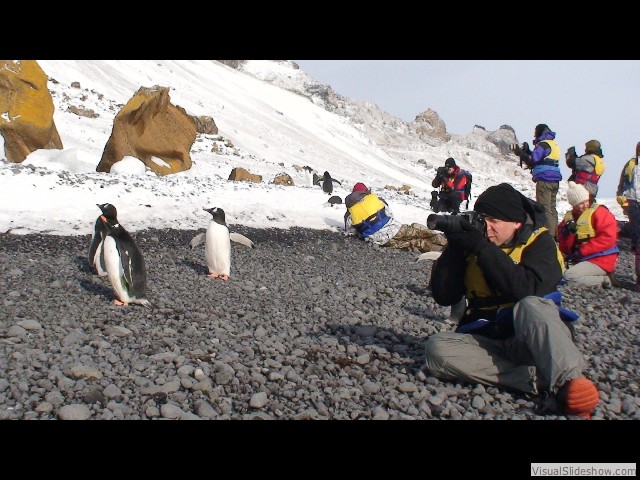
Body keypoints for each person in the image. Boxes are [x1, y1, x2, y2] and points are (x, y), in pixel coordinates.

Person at [424, 183, 599, 419]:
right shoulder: (475, 244)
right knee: (437, 349)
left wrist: (480, 247)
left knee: (531, 304)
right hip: (489, 341)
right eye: (483, 218)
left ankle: (571, 384)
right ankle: (534, 379)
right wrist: (455, 248)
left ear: (516, 222)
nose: (487, 227)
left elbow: (527, 289)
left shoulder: (540, 243)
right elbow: (444, 296)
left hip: (532, 339)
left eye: (494, 220)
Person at [344, 182, 447, 253]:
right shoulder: (375, 199)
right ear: (365, 191)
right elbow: (389, 213)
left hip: (379, 240)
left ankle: (439, 251)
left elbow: (350, 231)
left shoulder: (350, 212)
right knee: (417, 231)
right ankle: (446, 244)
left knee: (414, 243)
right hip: (395, 229)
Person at [557, 181, 619, 288]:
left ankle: (605, 279)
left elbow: (608, 238)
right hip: (580, 259)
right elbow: (564, 248)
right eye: (580, 203)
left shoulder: (599, 212)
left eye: (586, 200)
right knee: (556, 273)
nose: (585, 205)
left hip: (601, 258)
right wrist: (566, 235)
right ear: (573, 205)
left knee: (570, 276)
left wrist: (582, 250)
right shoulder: (568, 219)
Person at [511, 124, 562, 238]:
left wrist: (521, 153)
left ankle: (547, 235)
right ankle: (554, 234)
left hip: (544, 179)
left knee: (544, 208)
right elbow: (541, 157)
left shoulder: (543, 144)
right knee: (552, 208)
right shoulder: (553, 144)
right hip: (554, 179)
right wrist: (529, 151)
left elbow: (533, 159)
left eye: (535, 131)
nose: (534, 134)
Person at [616, 141, 640, 286]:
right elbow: (622, 181)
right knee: (637, 233)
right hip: (632, 201)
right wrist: (620, 196)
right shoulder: (631, 164)